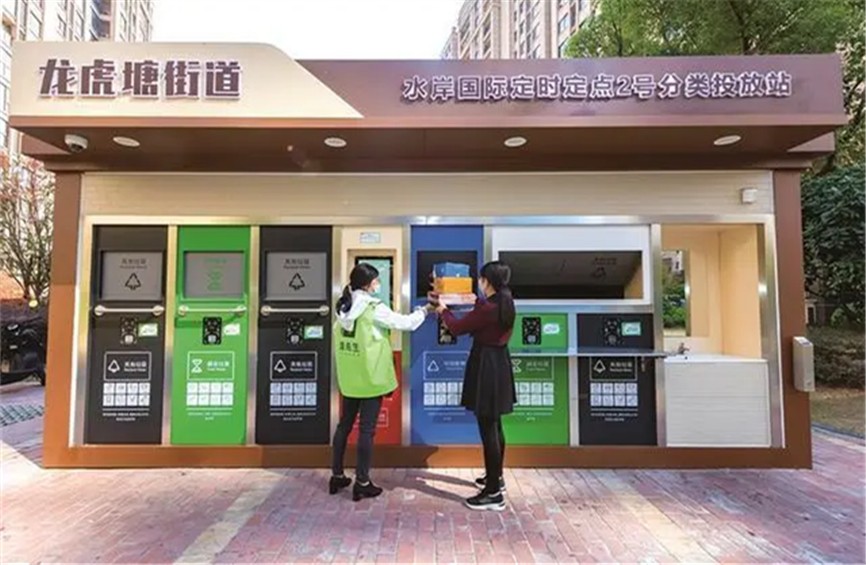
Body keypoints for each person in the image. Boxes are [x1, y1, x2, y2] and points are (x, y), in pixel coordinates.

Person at [331, 262, 432, 501]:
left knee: (344, 426)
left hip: (350, 377)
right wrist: (426, 310)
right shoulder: (373, 308)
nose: (378, 284)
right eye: (376, 280)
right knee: (366, 430)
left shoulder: (342, 306)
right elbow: (405, 323)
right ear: (368, 284)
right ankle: (362, 482)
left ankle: (337, 476)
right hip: (370, 378)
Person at [435, 261, 516, 511]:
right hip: (499, 363)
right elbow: (483, 314)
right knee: (495, 425)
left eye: (480, 279)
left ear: (487, 281)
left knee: (487, 428)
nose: (479, 283)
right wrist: (473, 301)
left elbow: (457, 328)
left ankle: (493, 494)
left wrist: (443, 310)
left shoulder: (489, 308)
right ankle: (496, 478)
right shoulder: (504, 301)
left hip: (486, 366)